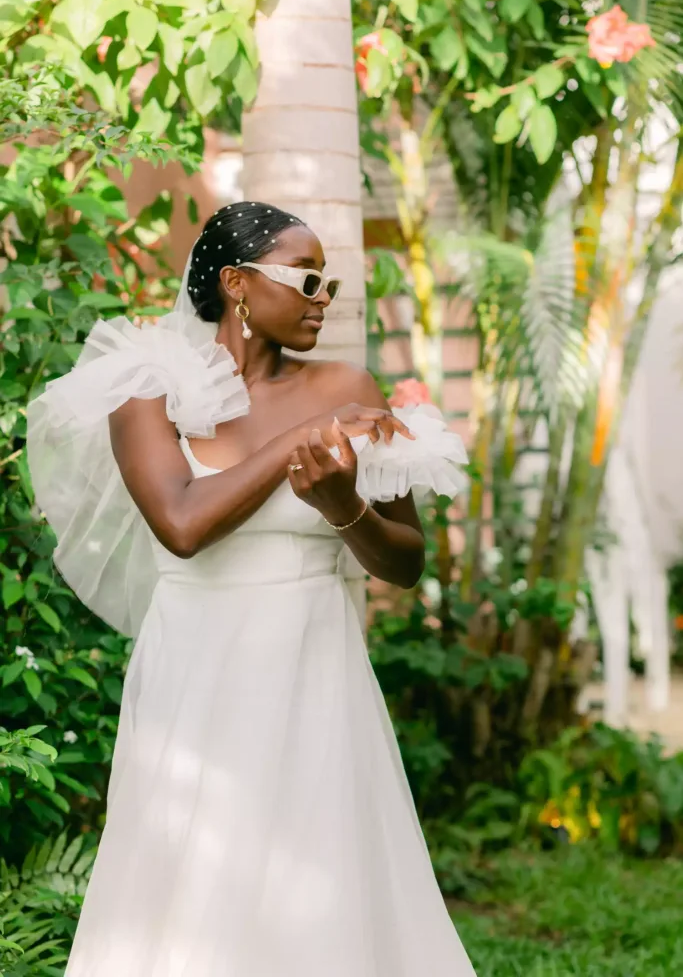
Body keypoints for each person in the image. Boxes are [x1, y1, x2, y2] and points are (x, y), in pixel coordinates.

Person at [27, 201, 476, 977]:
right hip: (197, 673)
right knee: (194, 877)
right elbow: (182, 522)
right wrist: (301, 441)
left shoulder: (347, 383)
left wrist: (345, 510)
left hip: (316, 670)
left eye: (327, 283)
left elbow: (404, 562)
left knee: (321, 874)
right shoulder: (147, 385)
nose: (322, 298)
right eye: (305, 279)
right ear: (236, 282)